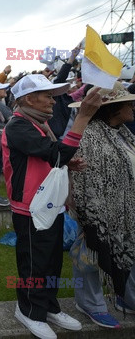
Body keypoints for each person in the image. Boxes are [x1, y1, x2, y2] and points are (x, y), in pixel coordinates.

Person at [2, 74, 102, 339]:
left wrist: (67, 162)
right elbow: (55, 152)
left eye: (52, 96)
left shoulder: (38, 125)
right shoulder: (17, 126)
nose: (52, 101)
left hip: (49, 202)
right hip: (31, 206)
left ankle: (47, 306)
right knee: (34, 262)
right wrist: (83, 117)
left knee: (51, 261)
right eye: (47, 96)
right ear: (27, 99)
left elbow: (53, 153)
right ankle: (28, 311)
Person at [69, 82, 135, 329]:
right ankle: (91, 304)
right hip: (97, 210)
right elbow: (83, 176)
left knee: (126, 253)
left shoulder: (122, 133)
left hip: (125, 210)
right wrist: (89, 215)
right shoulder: (90, 135)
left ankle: (127, 300)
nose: (133, 106)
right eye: (128, 103)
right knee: (90, 255)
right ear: (114, 108)